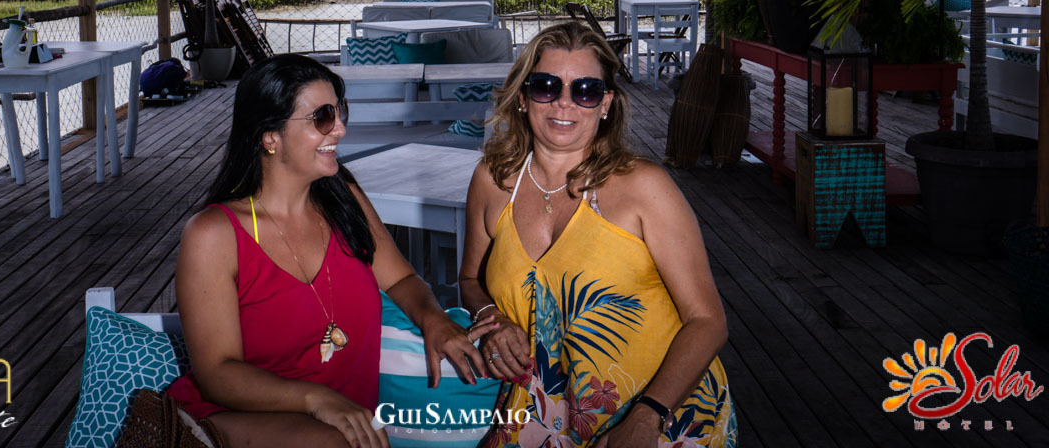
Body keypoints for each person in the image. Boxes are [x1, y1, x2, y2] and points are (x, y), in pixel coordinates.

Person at [167, 54, 498, 448]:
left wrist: (433, 319)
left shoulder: (344, 201)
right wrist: (316, 399)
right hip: (234, 422)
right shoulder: (214, 234)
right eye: (322, 117)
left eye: (340, 112)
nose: (339, 129)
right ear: (270, 136)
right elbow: (217, 373)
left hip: (341, 425)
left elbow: (401, 278)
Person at [459, 22, 736, 448]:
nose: (564, 103)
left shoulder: (644, 187)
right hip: (541, 412)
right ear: (521, 97)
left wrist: (647, 417)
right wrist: (491, 321)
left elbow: (708, 321)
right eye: (546, 85)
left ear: (605, 103)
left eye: (585, 90)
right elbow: (470, 281)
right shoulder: (492, 181)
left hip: (664, 412)